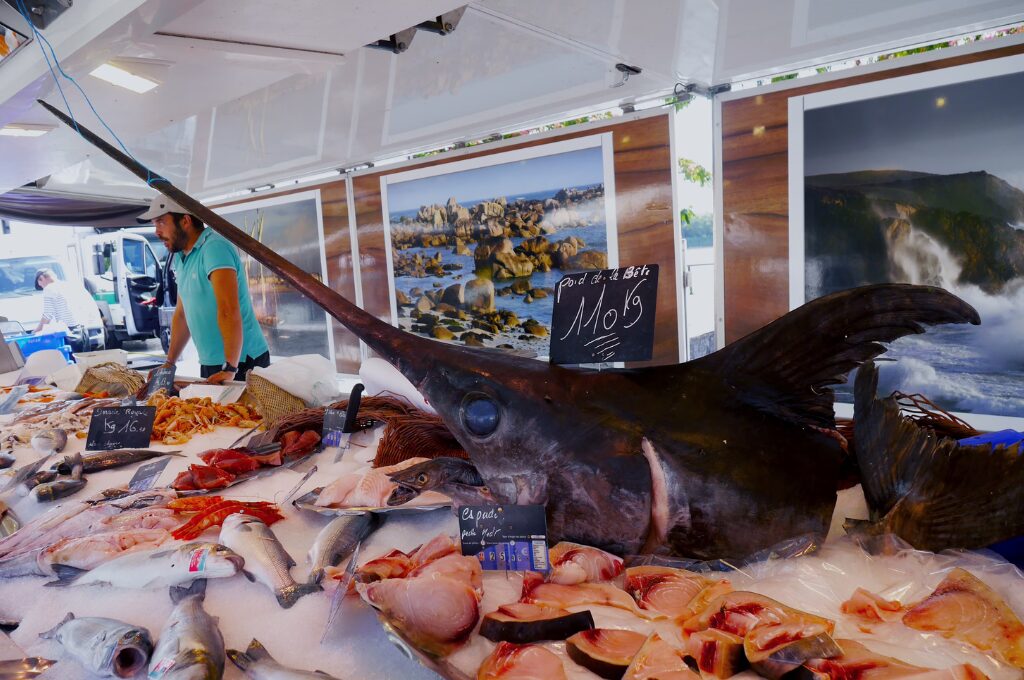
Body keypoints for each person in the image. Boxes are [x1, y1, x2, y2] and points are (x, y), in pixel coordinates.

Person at [141, 194, 269, 384]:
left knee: (244, 414)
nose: (157, 232)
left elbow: (228, 309)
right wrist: (170, 362)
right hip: (212, 362)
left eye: (161, 222)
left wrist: (230, 367)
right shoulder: (180, 256)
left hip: (241, 361)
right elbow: (183, 314)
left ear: (185, 220)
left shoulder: (214, 248)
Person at [32, 268, 101, 352]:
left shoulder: (49, 288)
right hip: (82, 330)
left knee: (71, 362)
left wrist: (36, 332)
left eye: (40, 285)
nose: (42, 287)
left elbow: (47, 315)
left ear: (42, 278)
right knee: (84, 360)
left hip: (69, 332)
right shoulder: (69, 285)